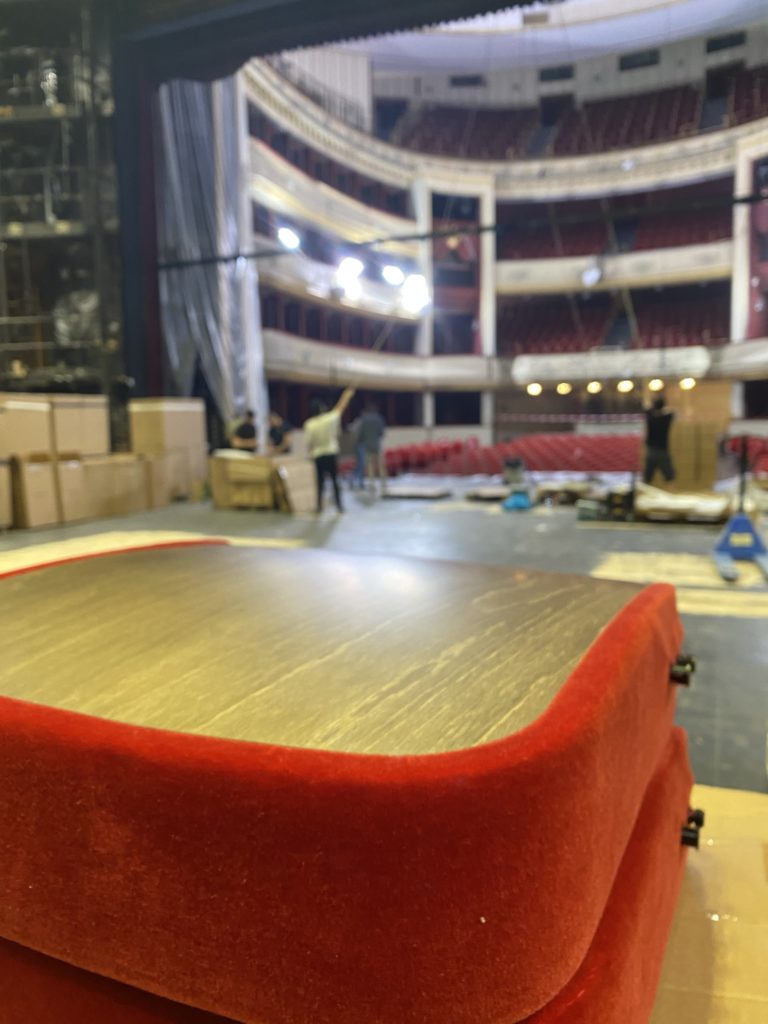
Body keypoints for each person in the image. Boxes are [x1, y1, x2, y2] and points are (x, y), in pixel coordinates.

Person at [304, 386, 355, 512]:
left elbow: (309, 443)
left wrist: (310, 455)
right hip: (331, 453)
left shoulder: (309, 424)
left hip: (318, 455)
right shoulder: (329, 419)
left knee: (319, 483)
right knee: (334, 481)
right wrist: (347, 394)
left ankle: (319, 507)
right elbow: (341, 407)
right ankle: (339, 506)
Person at [643, 395, 675, 485]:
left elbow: (646, 408)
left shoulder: (650, 417)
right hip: (662, 450)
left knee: (648, 476)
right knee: (669, 476)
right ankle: (671, 491)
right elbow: (672, 412)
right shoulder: (666, 418)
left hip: (651, 450)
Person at [358, 400, 387, 492]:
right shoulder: (379, 419)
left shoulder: (364, 420)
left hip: (367, 445)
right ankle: (383, 482)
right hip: (377, 445)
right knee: (381, 464)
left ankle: (372, 483)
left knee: (369, 465)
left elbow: (361, 434)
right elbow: (381, 433)